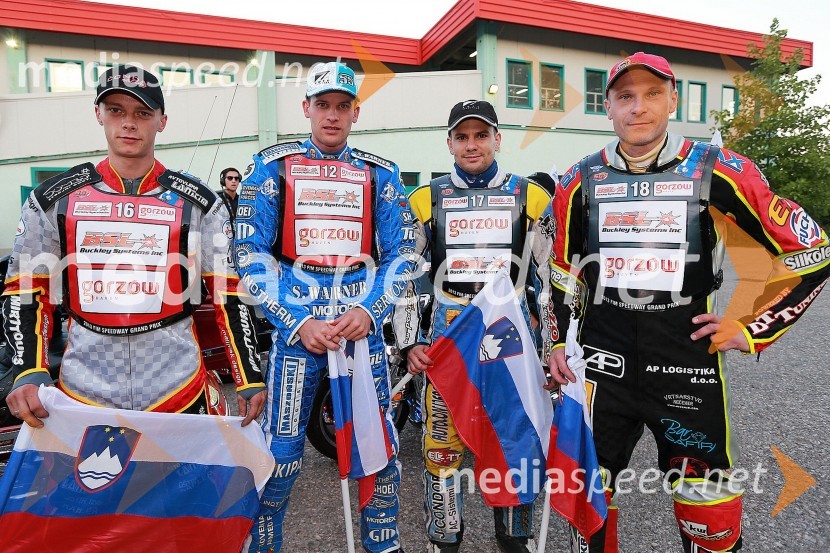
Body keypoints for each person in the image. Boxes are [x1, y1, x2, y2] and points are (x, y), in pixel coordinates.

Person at [544, 52, 830, 553]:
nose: (638, 108)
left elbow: (813, 253)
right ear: (607, 107)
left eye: (652, 94)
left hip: (687, 364)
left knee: (709, 512)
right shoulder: (578, 179)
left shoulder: (719, 169)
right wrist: (555, 343)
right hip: (601, 366)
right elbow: (561, 271)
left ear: (673, 100)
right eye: (625, 96)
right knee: (587, 501)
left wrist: (752, 328)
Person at [3, 65, 266, 427]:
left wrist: (248, 375)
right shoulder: (53, 199)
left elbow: (228, 292)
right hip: (83, 393)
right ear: (98, 114)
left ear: (162, 121)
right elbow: (27, 288)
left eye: (142, 113)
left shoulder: (200, 202)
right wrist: (28, 370)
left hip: (178, 391)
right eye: (116, 111)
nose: (129, 123)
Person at [233, 62, 415, 553]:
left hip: (360, 334)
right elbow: (248, 252)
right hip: (299, 335)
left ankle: (382, 542)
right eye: (322, 105)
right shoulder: (271, 166)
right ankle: (262, 544)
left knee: (379, 447)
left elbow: (403, 253)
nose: (332, 115)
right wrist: (298, 321)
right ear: (306, 109)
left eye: (342, 106)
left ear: (355, 112)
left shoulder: (379, 173)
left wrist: (370, 311)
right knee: (281, 453)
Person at [391, 100, 555, 553]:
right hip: (449, 334)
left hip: (510, 335)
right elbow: (405, 276)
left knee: (513, 436)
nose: (471, 145)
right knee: (442, 446)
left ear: (497, 139)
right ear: (449, 143)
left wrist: (552, 346)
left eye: (481, 135)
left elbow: (550, 278)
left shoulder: (532, 196)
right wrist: (410, 342)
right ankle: (444, 538)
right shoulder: (424, 198)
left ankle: (514, 538)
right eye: (462, 137)